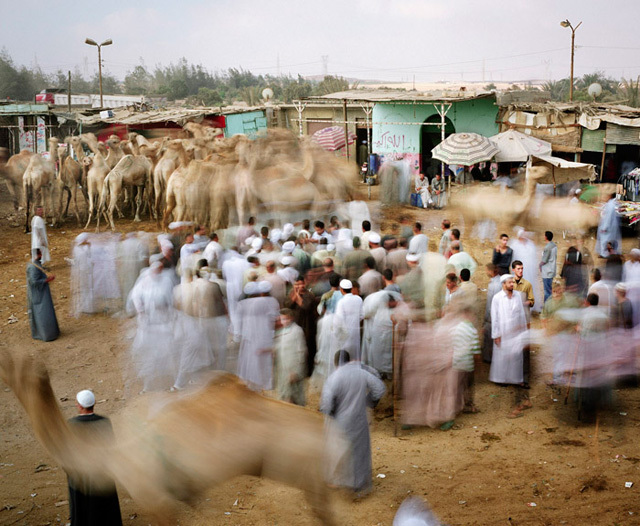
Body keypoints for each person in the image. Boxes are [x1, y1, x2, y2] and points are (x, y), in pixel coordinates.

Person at [320, 350, 386, 496]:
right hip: (360, 420)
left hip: (341, 422)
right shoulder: (361, 372)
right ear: (349, 361)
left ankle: (339, 482)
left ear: (336, 363)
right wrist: (368, 402)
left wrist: (331, 413)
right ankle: (359, 486)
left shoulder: (334, 377)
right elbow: (380, 388)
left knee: (339, 452)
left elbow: (326, 405)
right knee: (360, 453)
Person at [67, 390, 123, 526]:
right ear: (94, 404)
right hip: (103, 471)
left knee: (82, 506)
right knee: (105, 505)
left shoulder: (71, 424)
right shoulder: (104, 422)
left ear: (79, 406)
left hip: (81, 473)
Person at [490, 274, 531, 418]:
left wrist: (524, 333)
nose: (512, 284)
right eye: (509, 282)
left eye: (512, 282)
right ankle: (503, 381)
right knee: (502, 359)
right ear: (503, 284)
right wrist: (496, 334)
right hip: (502, 332)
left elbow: (521, 316)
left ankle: (516, 384)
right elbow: (494, 317)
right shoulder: (497, 298)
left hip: (515, 333)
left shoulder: (518, 297)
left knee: (515, 360)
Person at [236, 281, 280, 391]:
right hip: (264, 332)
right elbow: (274, 318)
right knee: (264, 357)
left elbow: (238, 321)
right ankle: (266, 382)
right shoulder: (271, 301)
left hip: (248, 333)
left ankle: (252, 380)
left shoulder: (242, 304)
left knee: (251, 356)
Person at [284, 276, 318, 376]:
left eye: (301, 284)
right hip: (295, 324)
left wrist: (298, 294)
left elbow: (305, 307)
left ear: (305, 283)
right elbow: (288, 305)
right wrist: (295, 294)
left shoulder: (309, 295)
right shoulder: (291, 294)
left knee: (307, 348)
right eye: (297, 284)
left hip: (307, 326)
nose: (300, 286)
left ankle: (308, 372)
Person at [274, 309, 307, 406]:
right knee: (285, 395)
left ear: (291, 318)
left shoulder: (297, 331)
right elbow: (279, 347)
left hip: (293, 369)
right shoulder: (282, 331)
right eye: (282, 319)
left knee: (294, 398)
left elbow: (301, 351)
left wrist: (297, 371)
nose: (284, 321)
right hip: (283, 369)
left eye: (286, 319)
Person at [27, 248, 59, 342]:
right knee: (43, 312)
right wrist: (47, 280)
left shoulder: (35, 263)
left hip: (42, 292)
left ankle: (49, 332)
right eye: (40, 253)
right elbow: (34, 281)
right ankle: (47, 334)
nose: (42, 255)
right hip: (39, 294)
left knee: (45, 311)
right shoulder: (33, 267)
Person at [334, 279, 364, 360]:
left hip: (345, 336)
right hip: (355, 334)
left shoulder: (341, 302)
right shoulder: (358, 299)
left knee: (345, 358)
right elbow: (361, 316)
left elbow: (338, 321)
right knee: (355, 358)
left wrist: (337, 334)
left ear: (341, 289)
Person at [483, 263, 501, 363]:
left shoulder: (493, 285)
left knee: (488, 337)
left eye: (486, 270)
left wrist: (486, 318)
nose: (485, 272)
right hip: (499, 314)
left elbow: (490, 303)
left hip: (492, 316)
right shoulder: (500, 280)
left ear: (490, 271)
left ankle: (488, 357)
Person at [596, 192, 621, 258]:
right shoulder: (610, 204)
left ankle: (605, 254)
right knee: (610, 240)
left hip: (608, 226)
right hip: (610, 226)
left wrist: (604, 227)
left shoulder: (610, 205)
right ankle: (610, 252)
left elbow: (608, 217)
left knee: (604, 240)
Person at [540, 231, 558, 303]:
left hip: (547, 271)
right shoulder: (554, 245)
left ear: (546, 237)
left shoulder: (547, 247)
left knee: (547, 291)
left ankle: (547, 307)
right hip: (552, 269)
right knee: (549, 289)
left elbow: (544, 260)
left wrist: (540, 265)